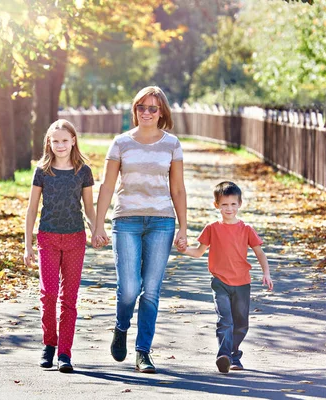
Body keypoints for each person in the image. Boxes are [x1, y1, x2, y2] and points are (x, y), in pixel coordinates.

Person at [92, 86, 188, 374]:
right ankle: (121, 327)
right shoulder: (121, 143)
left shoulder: (172, 144)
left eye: (152, 108)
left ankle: (143, 352)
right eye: (141, 107)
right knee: (130, 289)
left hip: (162, 222)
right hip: (127, 221)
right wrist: (98, 224)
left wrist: (184, 228)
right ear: (134, 110)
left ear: (162, 113)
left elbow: (178, 189)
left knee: (151, 292)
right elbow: (107, 185)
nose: (146, 113)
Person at [178, 181, 273, 374]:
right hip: (219, 282)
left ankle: (234, 354)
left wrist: (266, 273)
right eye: (224, 204)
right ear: (216, 205)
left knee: (241, 323)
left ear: (239, 204)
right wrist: (183, 249)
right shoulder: (212, 228)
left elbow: (260, 253)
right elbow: (198, 252)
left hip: (242, 283)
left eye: (233, 204)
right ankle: (224, 356)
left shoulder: (246, 229)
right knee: (225, 320)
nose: (229, 208)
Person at [24, 119, 96, 373]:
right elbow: (32, 209)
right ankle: (49, 345)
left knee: (69, 299)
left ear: (73, 140)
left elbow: (89, 209)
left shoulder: (83, 171)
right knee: (49, 294)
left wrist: (97, 228)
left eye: (65, 140)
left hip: (76, 238)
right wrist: (28, 245)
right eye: (55, 141)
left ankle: (65, 352)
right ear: (49, 143)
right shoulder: (42, 171)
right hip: (48, 238)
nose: (60, 145)